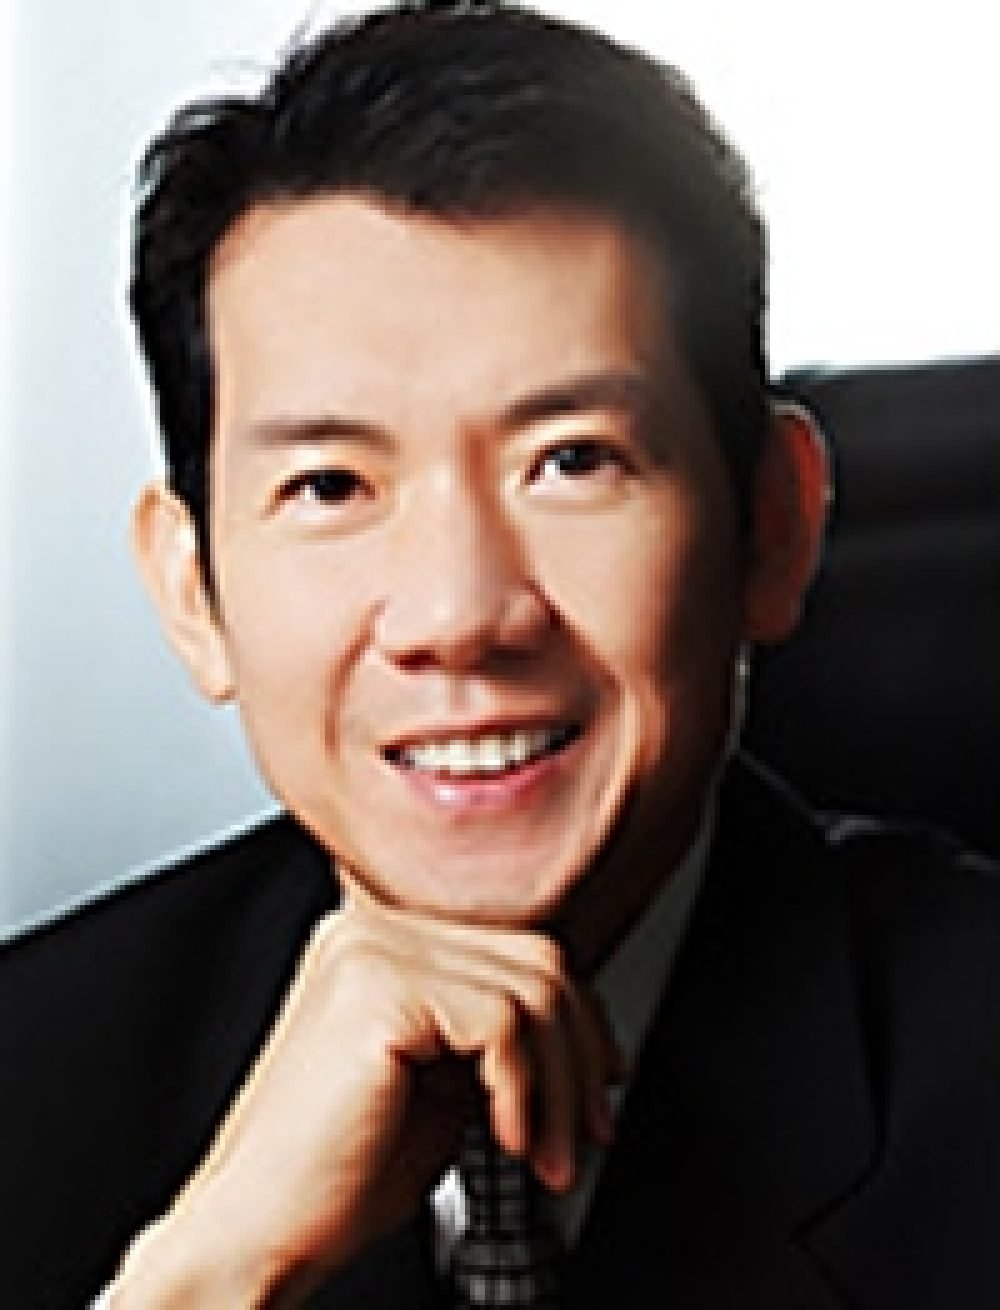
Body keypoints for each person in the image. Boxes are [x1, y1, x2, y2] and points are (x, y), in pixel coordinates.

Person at [3, 3, 999, 1306]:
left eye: (571, 461)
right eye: (330, 485)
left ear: (773, 524)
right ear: (193, 591)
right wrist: (210, 1274)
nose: (459, 614)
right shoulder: (30, 1080)